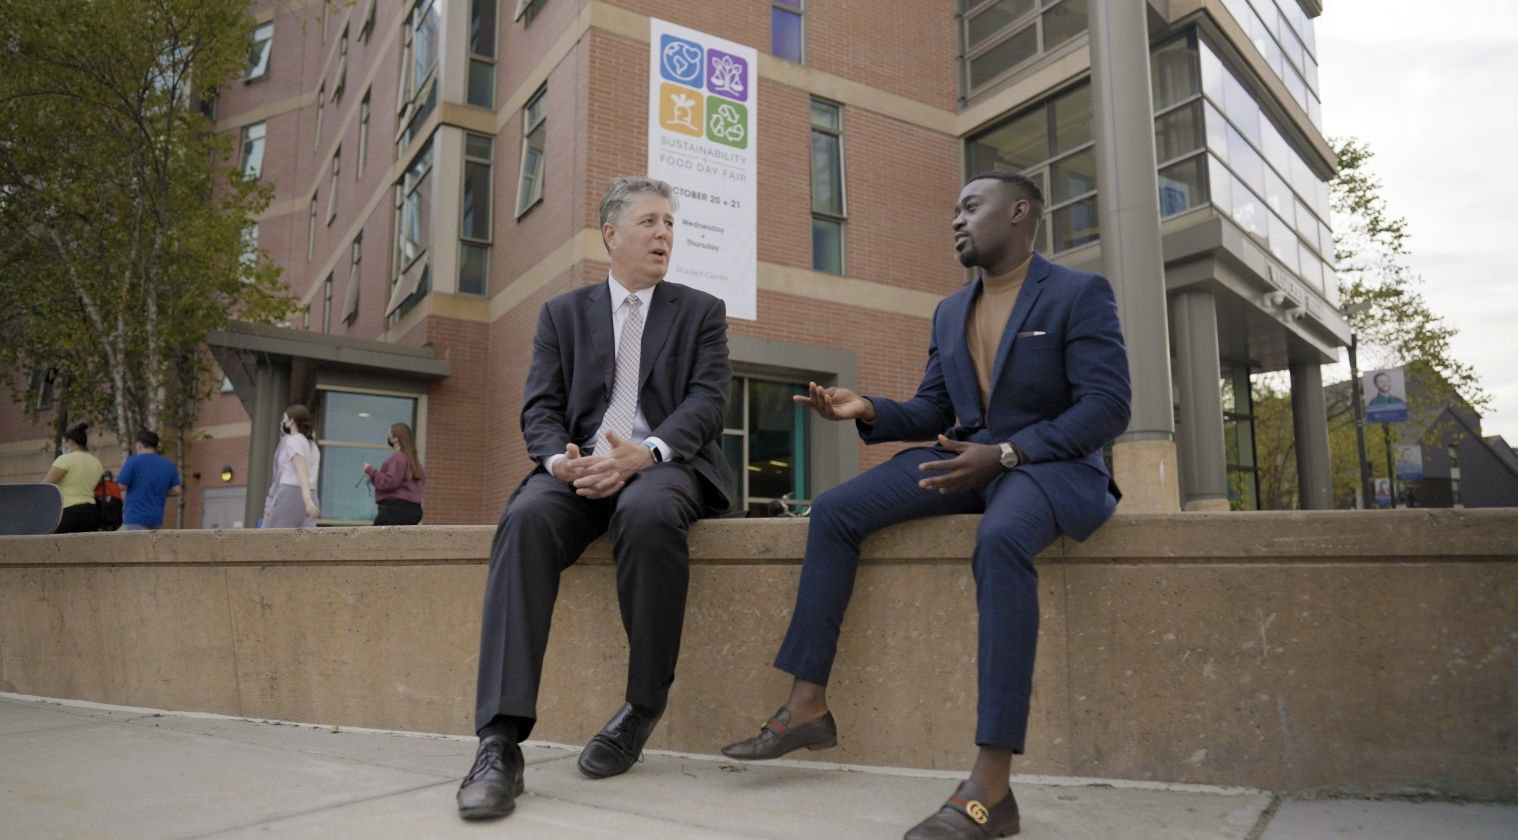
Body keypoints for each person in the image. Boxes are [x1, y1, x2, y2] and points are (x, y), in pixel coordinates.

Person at [721, 171, 1132, 840]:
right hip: (963, 459)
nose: (956, 220)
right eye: (954, 209)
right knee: (834, 511)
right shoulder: (949, 311)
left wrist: (1007, 455)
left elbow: (1108, 406)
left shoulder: (1079, 294)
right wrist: (868, 409)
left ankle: (991, 788)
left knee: (999, 541)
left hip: (1048, 468)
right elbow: (936, 408)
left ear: (1020, 212)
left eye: (972, 206)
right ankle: (807, 706)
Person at [457, 176, 732, 821]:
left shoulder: (701, 311)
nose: (664, 233)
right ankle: (499, 744)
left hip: (666, 464)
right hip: (581, 469)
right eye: (649, 222)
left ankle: (642, 707)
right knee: (524, 518)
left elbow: (708, 402)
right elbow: (541, 408)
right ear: (611, 235)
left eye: (670, 223)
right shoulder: (562, 314)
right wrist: (562, 461)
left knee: (646, 509)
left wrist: (648, 452)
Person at [262, 404, 322, 528]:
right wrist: (309, 499)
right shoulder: (313, 445)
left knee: (270, 535)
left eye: (285, 418)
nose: (283, 422)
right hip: (311, 492)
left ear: (292, 421)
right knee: (302, 540)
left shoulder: (293, 441)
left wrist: (307, 500)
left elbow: (301, 469)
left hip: (291, 492)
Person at [116, 430, 182, 531]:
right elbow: (177, 490)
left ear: (139, 445)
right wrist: (160, 490)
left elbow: (120, 486)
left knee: (131, 546)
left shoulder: (133, 461)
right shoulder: (168, 464)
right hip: (156, 519)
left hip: (134, 518)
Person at [44, 423, 104, 533]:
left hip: (68, 511)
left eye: (63, 443)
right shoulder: (96, 462)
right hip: (91, 511)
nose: (62, 447)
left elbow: (46, 486)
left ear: (70, 442)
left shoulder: (65, 459)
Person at [363, 422, 425, 525]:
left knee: (375, 539)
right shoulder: (415, 462)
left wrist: (371, 471)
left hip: (394, 510)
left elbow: (390, 482)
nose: (388, 434)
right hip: (414, 511)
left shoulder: (398, 457)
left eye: (390, 432)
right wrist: (373, 478)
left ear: (395, 438)